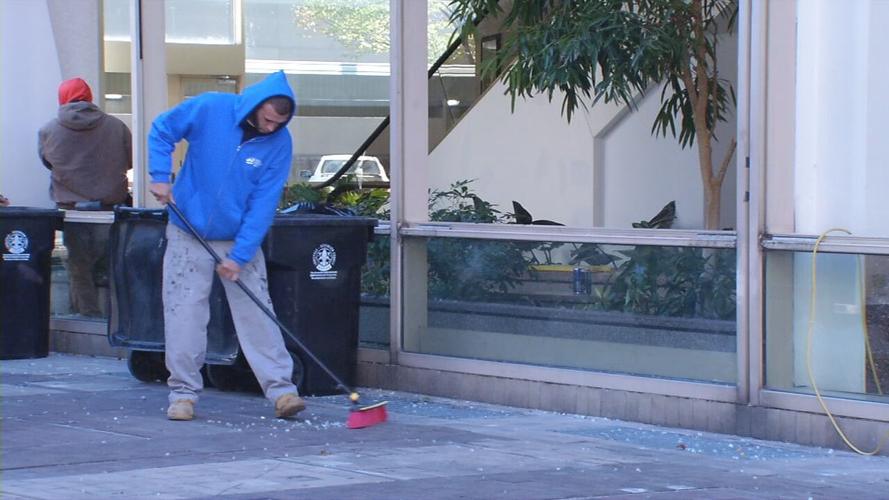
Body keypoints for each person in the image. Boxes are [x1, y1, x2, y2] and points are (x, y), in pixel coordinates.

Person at [147, 71, 304, 421]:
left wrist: (240, 255)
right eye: (267, 120)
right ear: (255, 105)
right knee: (184, 314)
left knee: (258, 313)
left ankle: (282, 391)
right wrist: (159, 175)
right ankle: (183, 395)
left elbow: (264, 202)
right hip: (188, 231)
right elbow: (161, 129)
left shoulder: (280, 143)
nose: (270, 129)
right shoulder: (209, 108)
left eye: (279, 123)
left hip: (237, 237)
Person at [38, 77, 132, 317]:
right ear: (89, 97)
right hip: (110, 209)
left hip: (72, 212)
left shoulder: (48, 130)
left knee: (79, 267)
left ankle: (87, 318)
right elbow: (130, 161)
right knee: (111, 265)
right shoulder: (116, 127)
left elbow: (48, 162)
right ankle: (116, 321)